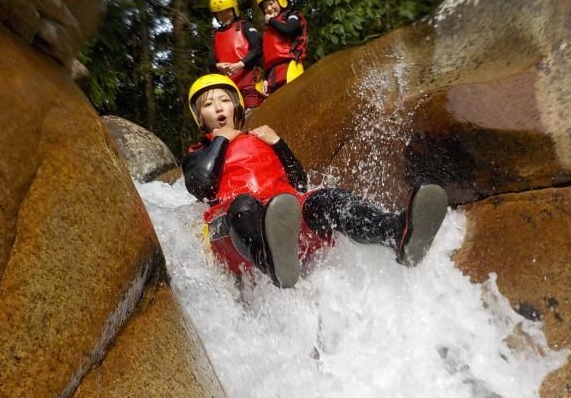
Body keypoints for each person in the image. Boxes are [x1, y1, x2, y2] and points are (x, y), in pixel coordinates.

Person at [183, 74, 449, 289]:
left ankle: (394, 232)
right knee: (244, 205)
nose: (218, 107)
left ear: (236, 106)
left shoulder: (259, 137)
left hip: (282, 219)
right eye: (208, 104)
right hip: (237, 230)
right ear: (200, 117)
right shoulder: (199, 152)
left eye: (224, 100)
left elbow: (299, 183)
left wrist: (278, 143)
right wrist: (221, 139)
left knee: (328, 199)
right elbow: (201, 186)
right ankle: (271, 261)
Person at [208, 0, 265, 109]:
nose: (224, 15)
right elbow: (211, 61)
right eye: (220, 13)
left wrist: (240, 64)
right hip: (229, 88)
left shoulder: (245, 26)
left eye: (227, 11)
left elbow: (257, 49)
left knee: (254, 114)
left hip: (250, 83)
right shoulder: (217, 35)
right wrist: (219, 66)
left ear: (234, 9)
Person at [256, 0, 307, 96]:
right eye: (265, 7)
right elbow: (267, 57)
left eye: (271, 3)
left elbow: (289, 29)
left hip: (290, 66)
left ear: (280, 0)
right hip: (273, 73)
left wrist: (272, 21)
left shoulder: (291, 15)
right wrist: (265, 79)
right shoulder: (268, 29)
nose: (269, 9)